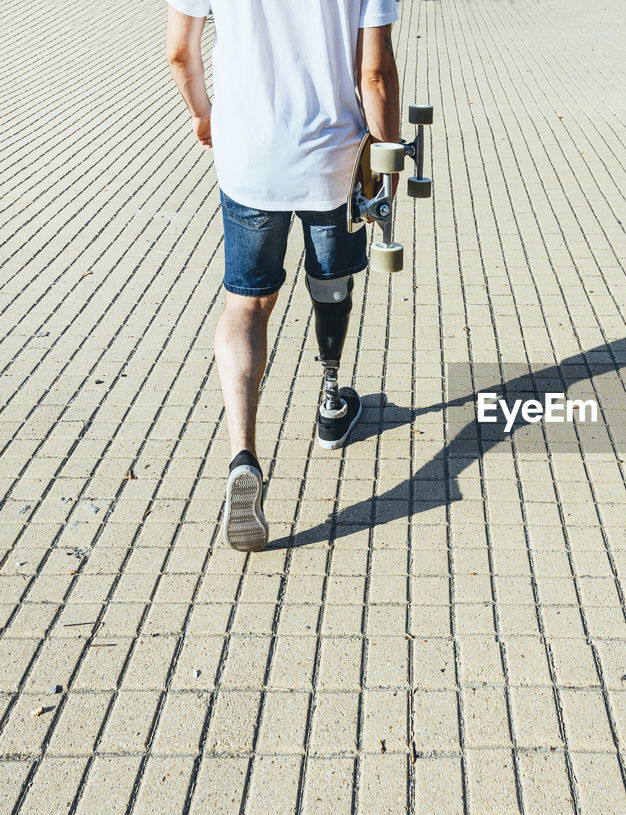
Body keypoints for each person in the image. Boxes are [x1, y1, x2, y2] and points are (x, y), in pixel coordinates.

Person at [165, 0, 401, 552]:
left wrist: (204, 116)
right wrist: (387, 161)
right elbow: (375, 72)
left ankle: (242, 454)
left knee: (246, 304)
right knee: (330, 284)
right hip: (333, 157)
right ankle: (330, 401)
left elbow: (179, 52)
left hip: (249, 155)